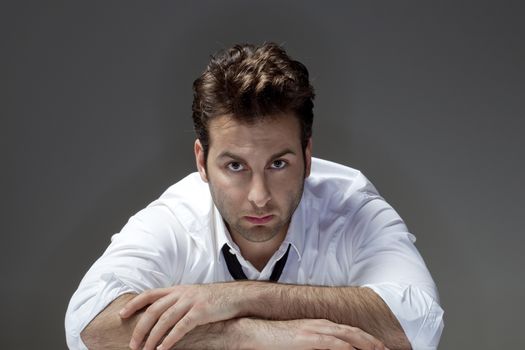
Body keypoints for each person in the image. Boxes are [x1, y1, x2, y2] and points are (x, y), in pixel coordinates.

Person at [65, 42, 444, 350]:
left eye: (278, 164)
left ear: (308, 157)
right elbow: (88, 325)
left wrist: (243, 298)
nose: (259, 196)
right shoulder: (176, 219)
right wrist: (243, 336)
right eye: (235, 167)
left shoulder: (352, 207)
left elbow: (421, 324)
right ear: (202, 160)